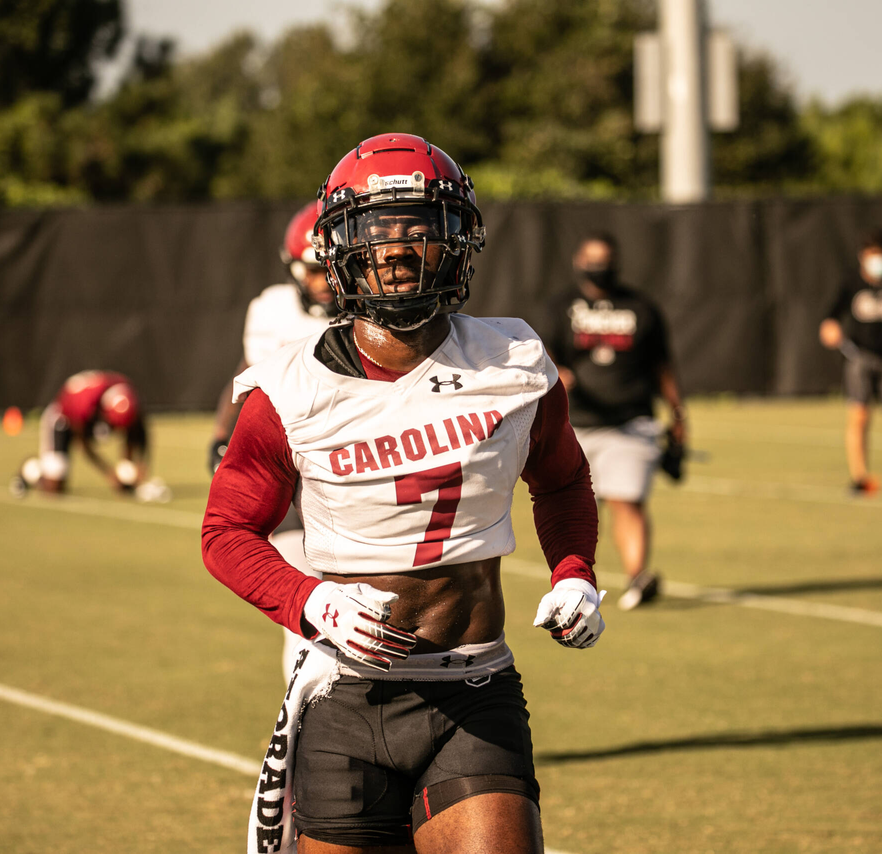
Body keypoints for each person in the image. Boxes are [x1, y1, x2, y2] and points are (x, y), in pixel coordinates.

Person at [201, 133, 604, 854]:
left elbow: (563, 478)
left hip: (474, 688)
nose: (396, 249)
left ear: (458, 240)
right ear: (338, 248)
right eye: (376, 231)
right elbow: (225, 532)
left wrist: (574, 572)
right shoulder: (289, 387)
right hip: (346, 696)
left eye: (419, 228)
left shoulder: (512, 361)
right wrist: (309, 600)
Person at [208, 201, 337, 682]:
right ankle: (307, 710)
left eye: (328, 269)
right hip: (288, 467)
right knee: (303, 610)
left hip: (351, 469)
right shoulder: (273, 309)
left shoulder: (371, 312)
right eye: (311, 270)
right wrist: (223, 435)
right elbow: (249, 375)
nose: (321, 282)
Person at [540, 233, 686, 611]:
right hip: (574, 424)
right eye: (591, 258)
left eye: (604, 259)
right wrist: (557, 373)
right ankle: (572, 581)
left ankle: (637, 577)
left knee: (626, 499)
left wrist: (678, 415)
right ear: (577, 260)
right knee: (574, 507)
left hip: (629, 422)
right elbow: (542, 352)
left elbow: (663, 367)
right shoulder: (560, 306)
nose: (598, 266)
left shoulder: (641, 307)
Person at [819, 228, 882, 499]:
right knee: (859, 416)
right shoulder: (851, 281)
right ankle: (860, 478)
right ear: (862, 256)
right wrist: (830, 327)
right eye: (872, 255)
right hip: (859, 358)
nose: (878, 261)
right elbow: (831, 316)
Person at [12, 370, 166, 501]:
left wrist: (140, 466)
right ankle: (30, 469)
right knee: (53, 489)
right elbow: (84, 445)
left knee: (130, 448)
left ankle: (127, 475)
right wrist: (110, 473)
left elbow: (140, 432)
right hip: (62, 420)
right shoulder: (84, 405)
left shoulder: (130, 399)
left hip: (89, 419)